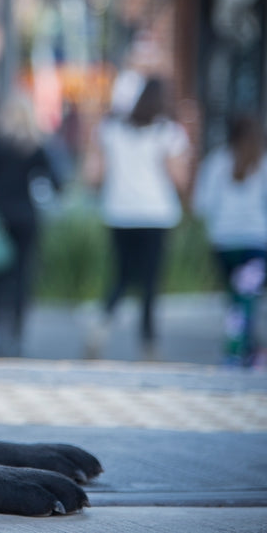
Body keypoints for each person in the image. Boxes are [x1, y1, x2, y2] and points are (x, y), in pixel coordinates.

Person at [83, 77, 192, 360]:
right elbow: (179, 179)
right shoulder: (168, 133)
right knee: (150, 282)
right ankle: (148, 345)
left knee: (121, 276)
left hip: (119, 212)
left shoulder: (112, 131)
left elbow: (94, 174)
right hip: (155, 214)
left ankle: (100, 328)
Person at [193, 114, 267, 369]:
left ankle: (249, 352)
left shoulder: (216, 161)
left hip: (224, 244)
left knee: (239, 302)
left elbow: (200, 205)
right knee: (245, 302)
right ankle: (235, 354)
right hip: (255, 244)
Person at [0, 92, 63, 357]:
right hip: (27, 218)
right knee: (23, 277)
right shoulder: (37, 145)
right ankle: (18, 337)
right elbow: (56, 181)